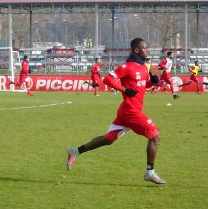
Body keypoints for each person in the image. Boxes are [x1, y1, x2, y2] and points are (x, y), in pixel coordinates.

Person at [66, 38, 166, 185]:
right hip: (131, 111)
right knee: (155, 137)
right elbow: (107, 79)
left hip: (127, 111)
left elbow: (142, 85)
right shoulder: (127, 66)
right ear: (137, 50)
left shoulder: (144, 67)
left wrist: (155, 81)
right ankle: (149, 172)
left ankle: (75, 151)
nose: (147, 51)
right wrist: (124, 89)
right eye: (145, 48)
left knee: (108, 139)